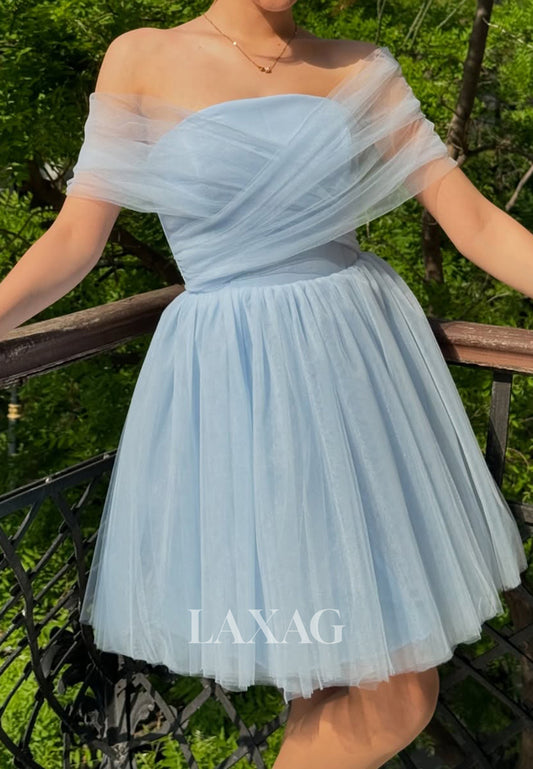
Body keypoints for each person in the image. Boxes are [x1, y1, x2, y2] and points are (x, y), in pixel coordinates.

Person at [1, 2, 532, 767]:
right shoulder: (140, 56)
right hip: (239, 393)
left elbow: (474, 223)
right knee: (383, 686)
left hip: (362, 386)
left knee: (362, 676)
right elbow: (74, 241)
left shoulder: (360, 66)